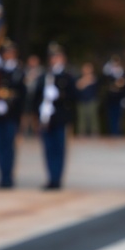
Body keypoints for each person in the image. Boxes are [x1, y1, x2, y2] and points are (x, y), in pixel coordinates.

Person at [33, 44, 76, 190]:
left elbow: (73, 96)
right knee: (48, 149)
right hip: (46, 118)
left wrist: (60, 96)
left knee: (59, 149)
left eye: (57, 56)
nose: (55, 60)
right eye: (52, 57)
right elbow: (36, 96)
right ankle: (51, 177)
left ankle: (57, 179)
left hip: (60, 117)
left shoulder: (67, 76)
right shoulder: (45, 76)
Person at [0, 41, 26, 189]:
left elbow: (22, 95)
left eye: (10, 53)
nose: (7, 55)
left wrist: (20, 115)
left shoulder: (18, 71)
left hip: (11, 115)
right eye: (5, 53)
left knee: (8, 147)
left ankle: (8, 177)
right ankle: (2, 175)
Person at [75, 62, 100, 137]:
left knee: (93, 117)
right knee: (82, 117)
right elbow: (78, 86)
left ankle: (94, 131)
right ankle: (82, 132)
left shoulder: (94, 78)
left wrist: (84, 82)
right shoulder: (78, 77)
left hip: (92, 100)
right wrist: (85, 81)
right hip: (81, 100)